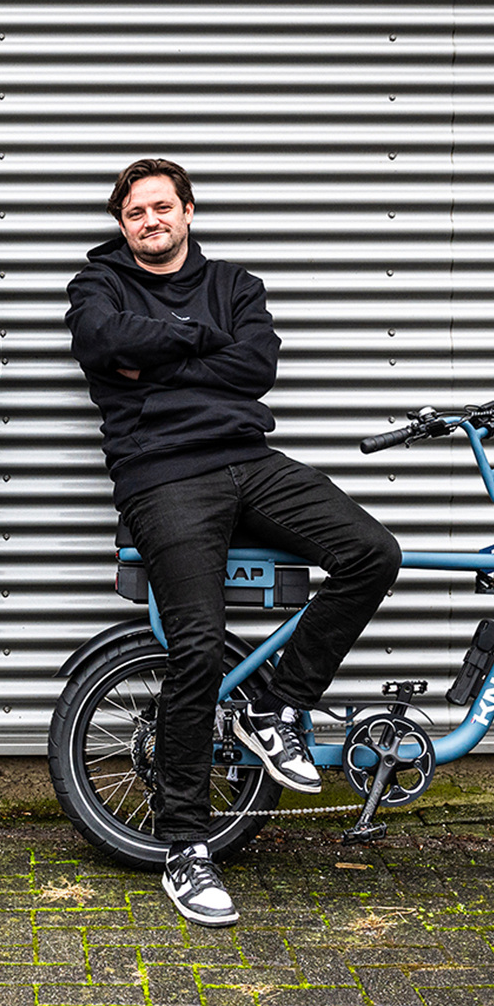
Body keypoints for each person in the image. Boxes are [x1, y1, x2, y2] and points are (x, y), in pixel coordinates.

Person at [63, 157, 400, 926]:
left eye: (162, 208)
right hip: (162, 477)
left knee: (372, 552)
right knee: (199, 646)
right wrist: (195, 343)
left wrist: (158, 354)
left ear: (189, 211)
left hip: (251, 462)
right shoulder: (98, 286)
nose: (149, 221)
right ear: (122, 223)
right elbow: (99, 339)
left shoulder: (236, 285)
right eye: (135, 212)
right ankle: (186, 848)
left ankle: (280, 708)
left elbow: (256, 367)